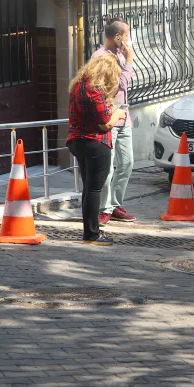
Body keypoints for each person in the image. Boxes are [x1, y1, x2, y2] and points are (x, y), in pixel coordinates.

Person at [67, 54, 126, 245]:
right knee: (94, 190)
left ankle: (90, 231)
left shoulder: (78, 86)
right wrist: (119, 113)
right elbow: (105, 124)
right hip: (95, 142)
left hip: (78, 141)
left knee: (88, 188)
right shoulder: (95, 91)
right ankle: (92, 233)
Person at [91, 18, 136, 225]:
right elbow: (117, 86)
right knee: (107, 167)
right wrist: (129, 62)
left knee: (127, 163)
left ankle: (115, 204)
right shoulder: (100, 57)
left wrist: (125, 59)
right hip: (108, 120)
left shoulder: (119, 54)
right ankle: (105, 208)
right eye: (126, 35)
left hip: (124, 118)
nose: (128, 40)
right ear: (117, 36)